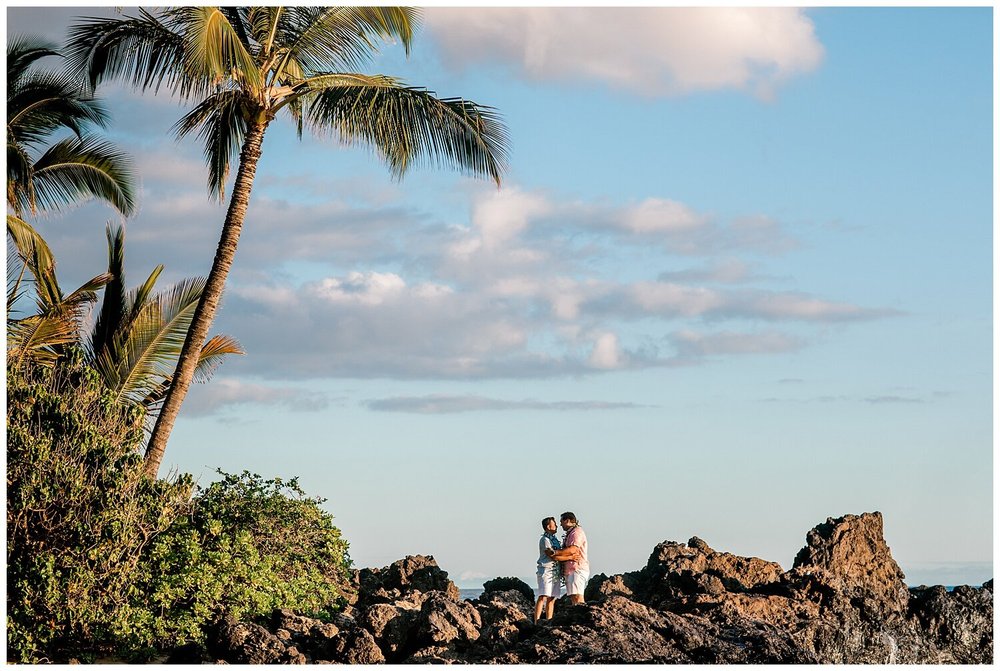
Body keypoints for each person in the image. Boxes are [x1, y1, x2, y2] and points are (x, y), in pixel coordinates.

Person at [545, 511, 589, 605]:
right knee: (574, 597)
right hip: (571, 570)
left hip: (577, 568)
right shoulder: (571, 533)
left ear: (568, 520)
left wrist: (555, 552)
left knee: (577, 597)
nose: (560, 525)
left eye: (561, 522)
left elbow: (573, 549)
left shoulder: (576, 532)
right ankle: (577, 617)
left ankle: (581, 618)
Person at [534, 516, 562, 622]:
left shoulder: (554, 539)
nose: (556, 526)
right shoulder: (545, 539)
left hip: (555, 571)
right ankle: (536, 621)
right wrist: (567, 556)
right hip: (546, 570)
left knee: (552, 597)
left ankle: (549, 620)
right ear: (548, 526)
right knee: (543, 595)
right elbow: (551, 554)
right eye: (554, 524)